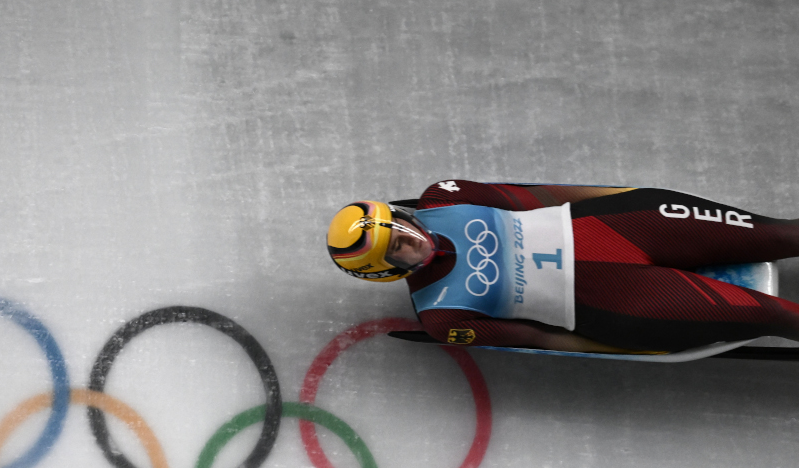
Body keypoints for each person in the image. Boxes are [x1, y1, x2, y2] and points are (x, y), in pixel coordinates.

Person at [326, 180, 799, 353]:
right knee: (775, 315)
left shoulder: (444, 196)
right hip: (620, 301)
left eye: (403, 227)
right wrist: (627, 346)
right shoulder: (442, 316)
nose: (414, 241)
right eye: (400, 251)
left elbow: (539, 195)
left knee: (780, 235)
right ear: (387, 272)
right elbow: (538, 339)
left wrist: (624, 197)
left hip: (627, 225)